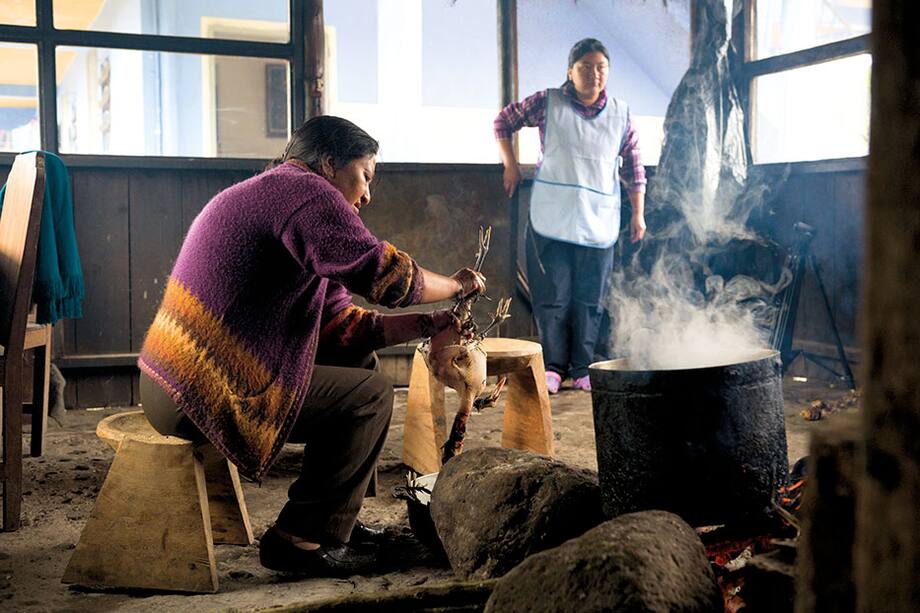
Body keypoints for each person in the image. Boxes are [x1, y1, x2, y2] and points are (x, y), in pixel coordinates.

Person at [137, 115, 485, 576]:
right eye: (364, 176)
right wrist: (457, 287)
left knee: (359, 362)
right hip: (197, 387)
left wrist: (433, 322)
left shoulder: (280, 197)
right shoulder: (302, 191)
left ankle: (334, 516)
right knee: (370, 397)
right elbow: (385, 276)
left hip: (174, 381)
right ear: (327, 164)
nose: (367, 194)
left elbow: (344, 327)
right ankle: (296, 539)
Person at [494, 37, 647, 394]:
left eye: (601, 67)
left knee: (590, 298)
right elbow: (504, 121)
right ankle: (553, 368)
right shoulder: (549, 102)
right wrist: (510, 164)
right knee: (553, 296)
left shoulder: (621, 114)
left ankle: (583, 369)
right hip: (553, 217)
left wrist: (638, 215)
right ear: (570, 71)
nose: (594, 74)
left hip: (599, 218)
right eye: (585, 67)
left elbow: (635, 169)